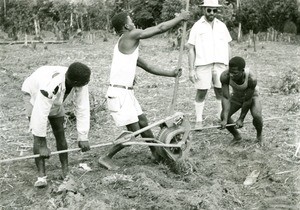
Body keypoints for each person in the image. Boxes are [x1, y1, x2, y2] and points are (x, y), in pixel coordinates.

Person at [98, 10, 190, 170]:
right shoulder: (130, 36)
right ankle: (106, 156)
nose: (134, 23)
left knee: (143, 123)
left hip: (127, 93)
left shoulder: (128, 47)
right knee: (134, 132)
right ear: (127, 26)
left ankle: (156, 154)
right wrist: (179, 18)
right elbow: (160, 28)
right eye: (131, 20)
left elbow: (148, 67)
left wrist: (171, 73)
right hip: (119, 94)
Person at [21, 62, 91, 187]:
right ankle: (41, 176)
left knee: (60, 132)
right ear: (75, 83)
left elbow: (83, 107)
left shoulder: (80, 79)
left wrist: (83, 136)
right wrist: (42, 144)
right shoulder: (50, 85)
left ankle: (65, 171)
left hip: (55, 98)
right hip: (34, 93)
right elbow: (40, 115)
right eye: (84, 83)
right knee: (37, 138)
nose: (86, 84)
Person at [187, 0, 232, 129]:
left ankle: (220, 117)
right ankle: (199, 120)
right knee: (201, 92)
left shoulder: (222, 26)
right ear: (204, 9)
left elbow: (228, 45)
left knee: (220, 91)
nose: (212, 13)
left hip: (220, 64)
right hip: (203, 64)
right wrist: (191, 70)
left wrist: (229, 66)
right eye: (209, 10)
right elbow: (191, 49)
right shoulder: (197, 26)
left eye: (214, 10)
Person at [220, 56, 263, 145]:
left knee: (257, 116)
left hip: (252, 96)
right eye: (230, 72)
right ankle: (237, 137)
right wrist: (224, 118)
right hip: (237, 96)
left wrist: (241, 119)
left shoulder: (251, 78)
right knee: (224, 116)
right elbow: (225, 97)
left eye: (235, 73)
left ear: (242, 70)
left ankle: (259, 136)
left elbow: (247, 100)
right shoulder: (225, 76)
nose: (231, 75)